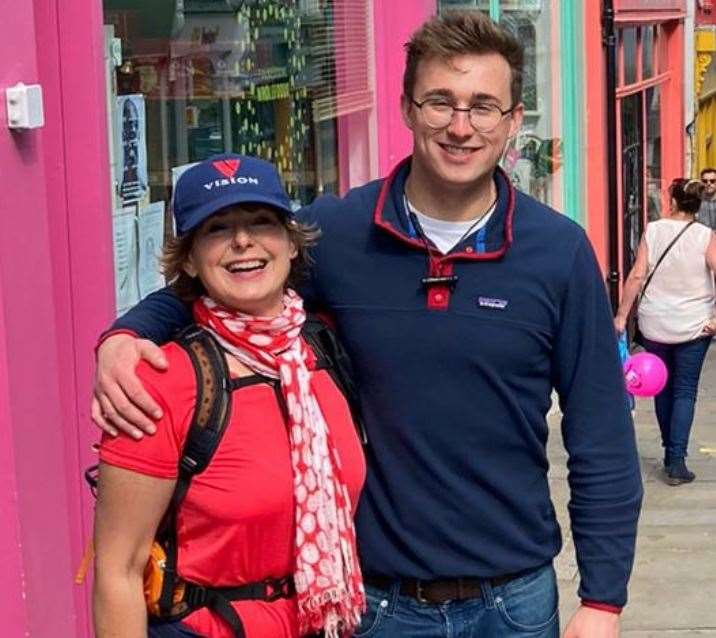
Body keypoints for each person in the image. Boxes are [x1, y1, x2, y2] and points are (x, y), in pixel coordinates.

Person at [92, 12, 642, 638]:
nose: (461, 126)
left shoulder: (559, 253)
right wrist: (124, 335)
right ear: (407, 108)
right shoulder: (340, 233)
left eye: (483, 106)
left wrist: (603, 599)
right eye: (441, 102)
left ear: (514, 120)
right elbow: (230, 273)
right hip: (378, 604)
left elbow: (599, 434)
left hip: (513, 603)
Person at [92, 155, 366, 638]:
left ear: (291, 243)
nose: (243, 240)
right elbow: (119, 571)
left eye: (262, 222)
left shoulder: (321, 353)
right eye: (217, 228)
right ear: (191, 259)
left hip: (323, 622)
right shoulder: (159, 381)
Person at [615, 178, 716, 486]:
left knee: (662, 387)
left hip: (655, 323)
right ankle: (676, 460)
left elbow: (636, 275)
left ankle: (668, 449)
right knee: (685, 391)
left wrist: (621, 315)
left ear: (672, 200)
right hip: (694, 325)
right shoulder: (706, 235)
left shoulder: (654, 230)